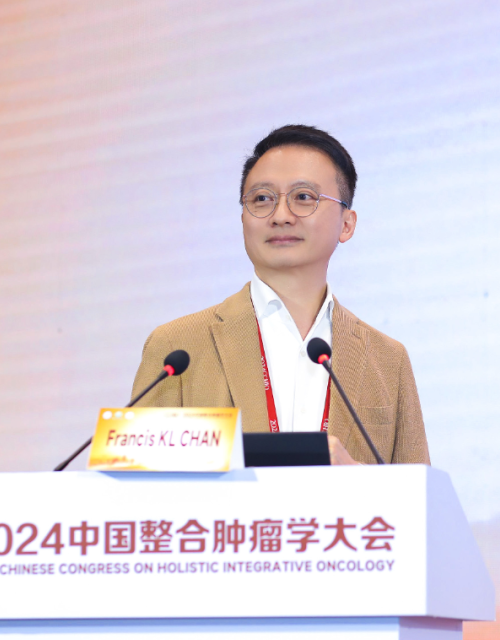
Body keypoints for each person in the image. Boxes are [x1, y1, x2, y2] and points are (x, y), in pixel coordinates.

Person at [130, 125, 429, 465]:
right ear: (243, 219)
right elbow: (136, 480)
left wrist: (359, 476)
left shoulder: (387, 360)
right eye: (262, 199)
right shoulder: (177, 347)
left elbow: (420, 491)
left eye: (304, 197)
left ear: (346, 224)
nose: (281, 216)